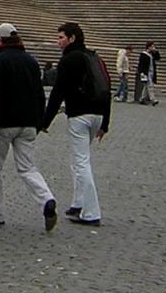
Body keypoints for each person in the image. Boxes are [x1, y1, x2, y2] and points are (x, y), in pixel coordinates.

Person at [0, 23, 58, 231]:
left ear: (0, 41)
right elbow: (39, 93)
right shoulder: (31, 60)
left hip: (4, 123)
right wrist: (39, 121)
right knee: (28, 168)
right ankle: (46, 199)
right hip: (29, 123)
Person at [41, 22, 111, 227]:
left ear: (72, 39)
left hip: (79, 115)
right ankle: (78, 203)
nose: (58, 42)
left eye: (61, 37)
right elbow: (106, 89)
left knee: (81, 163)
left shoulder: (68, 59)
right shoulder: (95, 57)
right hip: (98, 114)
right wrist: (105, 123)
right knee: (78, 159)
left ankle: (91, 212)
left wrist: (45, 121)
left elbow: (58, 92)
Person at [135, 41, 160, 105]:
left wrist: (156, 51)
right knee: (150, 85)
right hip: (146, 72)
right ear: (149, 47)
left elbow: (158, 58)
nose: (153, 48)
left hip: (152, 72)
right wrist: (141, 73)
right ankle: (153, 99)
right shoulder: (143, 54)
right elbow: (141, 65)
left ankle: (142, 99)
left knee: (146, 86)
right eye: (152, 46)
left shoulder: (152, 54)